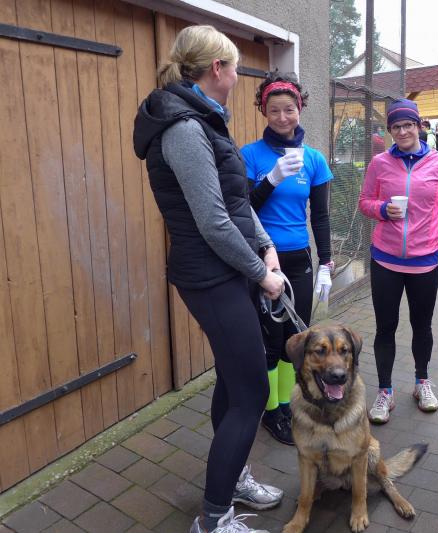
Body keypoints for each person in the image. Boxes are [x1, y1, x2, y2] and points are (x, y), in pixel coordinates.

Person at [133, 25, 285, 533]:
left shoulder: (205, 118)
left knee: (234, 379)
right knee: (252, 393)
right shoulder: (184, 128)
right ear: (218, 69)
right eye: (236, 67)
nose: (239, 77)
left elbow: (236, 203)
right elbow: (213, 221)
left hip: (231, 268)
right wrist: (261, 275)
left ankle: (233, 477)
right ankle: (214, 518)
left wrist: (266, 247)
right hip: (210, 275)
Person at [241, 72, 333, 446]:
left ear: (300, 110)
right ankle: (270, 412)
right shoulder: (250, 155)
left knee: (295, 338)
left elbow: (321, 217)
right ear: (264, 111)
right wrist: (272, 178)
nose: (282, 117)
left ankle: (285, 405)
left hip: (299, 258)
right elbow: (243, 209)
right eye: (274, 110)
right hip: (264, 260)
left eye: (289, 109)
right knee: (271, 339)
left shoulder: (314, 159)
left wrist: (326, 263)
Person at [358, 98, 438, 424]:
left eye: (408, 125)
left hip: (424, 260)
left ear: (418, 126)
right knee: (385, 327)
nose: (402, 131)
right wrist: (382, 209)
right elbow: (364, 201)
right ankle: (384, 391)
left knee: (422, 326)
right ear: (390, 130)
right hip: (385, 259)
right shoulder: (379, 163)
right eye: (396, 126)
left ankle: (421, 382)